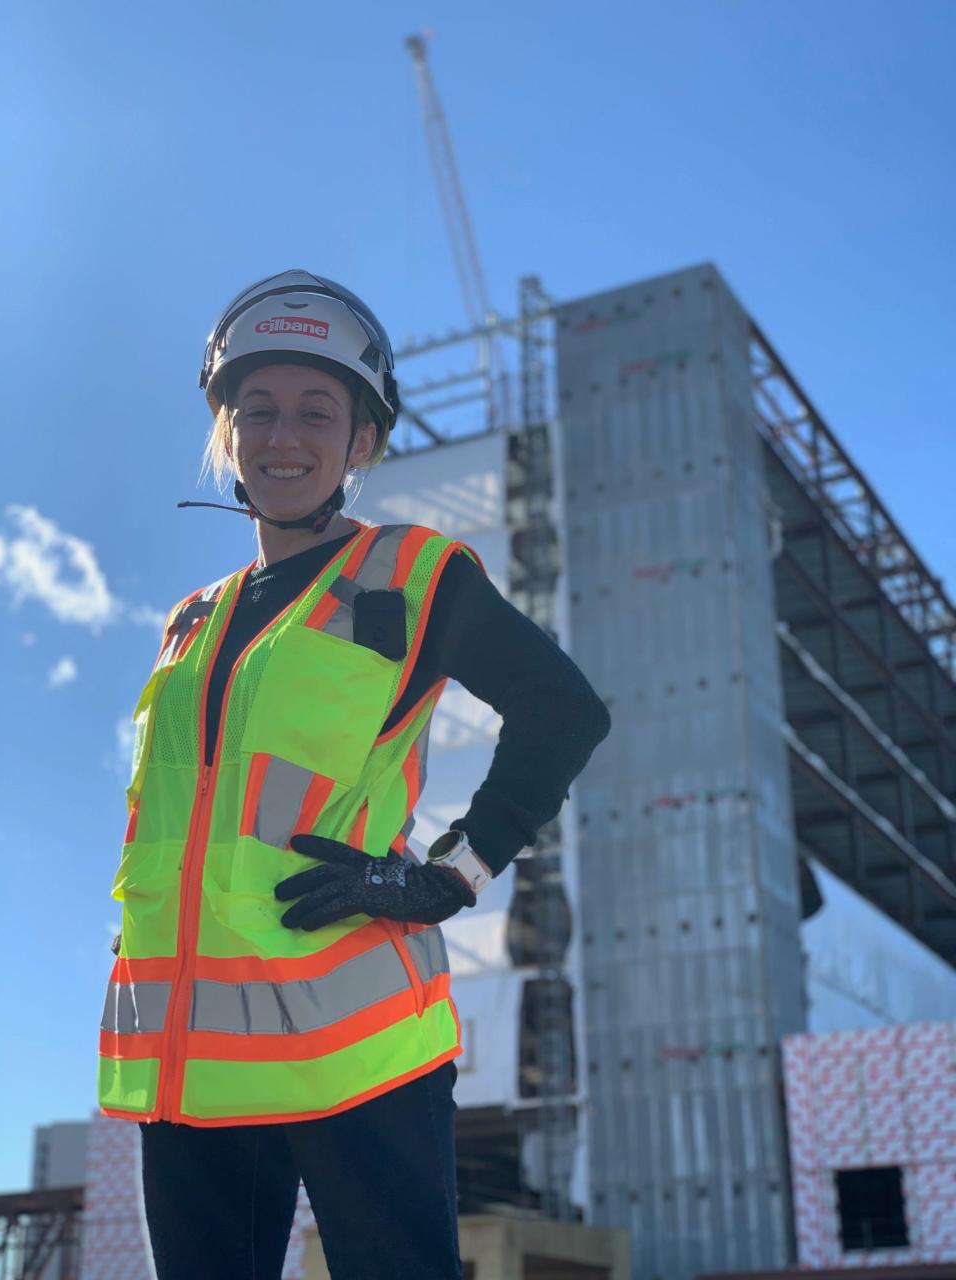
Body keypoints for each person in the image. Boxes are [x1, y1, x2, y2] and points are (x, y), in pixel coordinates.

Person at [98, 270, 611, 1280]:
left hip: (357, 1048)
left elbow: (565, 711)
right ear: (227, 431)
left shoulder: (412, 575)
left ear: (362, 442)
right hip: (190, 1065)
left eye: (317, 413)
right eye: (259, 410)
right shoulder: (188, 622)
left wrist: (450, 871)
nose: (283, 435)